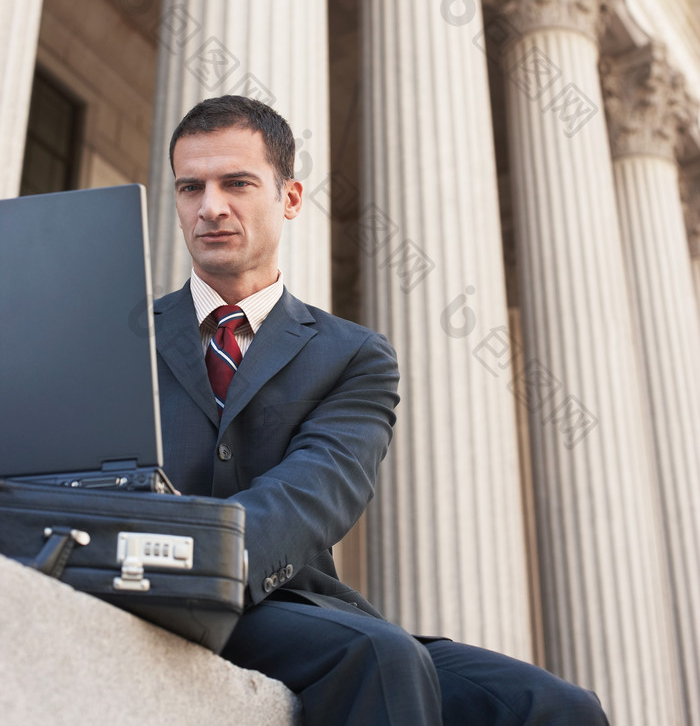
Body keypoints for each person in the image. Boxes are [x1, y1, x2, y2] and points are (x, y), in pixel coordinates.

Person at [154, 94, 610, 726]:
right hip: (145, 587)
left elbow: (316, 492)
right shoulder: (122, 336)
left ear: (289, 198)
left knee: (558, 707)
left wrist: (200, 554)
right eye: (190, 187)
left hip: (288, 600)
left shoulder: (352, 354)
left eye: (236, 183)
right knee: (379, 655)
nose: (210, 207)